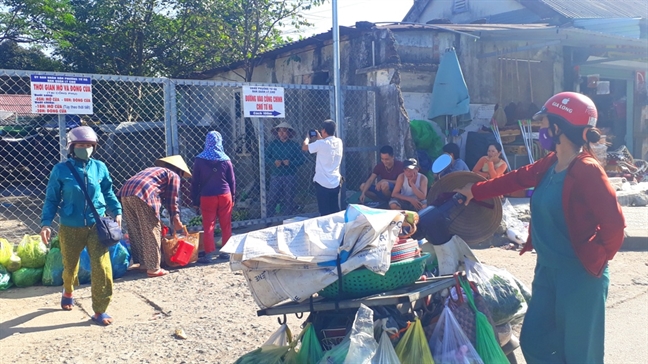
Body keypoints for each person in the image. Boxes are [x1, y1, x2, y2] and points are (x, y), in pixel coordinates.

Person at [455, 92, 625, 363]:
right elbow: (514, 179)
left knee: (582, 355)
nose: (541, 130)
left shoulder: (587, 169)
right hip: (547, 271)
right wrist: (475, 190)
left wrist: (596, 259)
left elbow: (615, 226)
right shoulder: (550, 164)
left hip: (580, 276)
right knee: (534, 341)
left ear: (559, 127)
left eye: (544, 124)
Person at [40, 126, 122, 326]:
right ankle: (68, 289)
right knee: (70, 265)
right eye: (81, 145)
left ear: (94, 147)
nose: (85, 148)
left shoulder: (100, 167)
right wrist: (46, 224)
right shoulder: (60, 170)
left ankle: (100, 310)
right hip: (70, 226)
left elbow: (108, 191)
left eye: (89, 145)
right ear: (71, 147)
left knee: (102, 266)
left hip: (97, 225)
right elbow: (51, 199)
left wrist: (117, 210)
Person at [118, 155, 191, 278]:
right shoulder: (174, 175)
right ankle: (153, 268)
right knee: (152, 230)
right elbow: (172, 199)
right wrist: (176, 218)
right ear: (179, 170)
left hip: (126, 192)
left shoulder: (154, 170)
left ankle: (143, 263)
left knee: (136, 228)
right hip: (143, 193)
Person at [191, 131, 235, 263]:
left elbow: (195, 182)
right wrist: (232, 197)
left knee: (208, 225)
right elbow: (232, 181)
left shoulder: (199, 160)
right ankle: (226, 252)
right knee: (226, 225)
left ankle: (209, 253)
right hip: (225, 195)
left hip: (207, 196)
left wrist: (194, 200)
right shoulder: (226, 160)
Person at [302, 119, 343, 216]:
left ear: (324, 130)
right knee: (334, 209)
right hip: (335, 182)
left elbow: (304, 147)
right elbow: (326, 145)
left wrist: (308, 137)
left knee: (324, 212)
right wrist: (320, 137)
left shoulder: (320, 144)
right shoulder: (339, 142)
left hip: (322, 183)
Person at [265, 122, 304, 216]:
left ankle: (287, 219)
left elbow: (302, 160)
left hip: (290, 175)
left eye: (284, 131)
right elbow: (265, 157)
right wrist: (274, 162)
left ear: (289, 133)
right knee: (272, 198)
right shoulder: (273, 144)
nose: (282, 133)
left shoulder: (294, 145)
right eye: (280, 131)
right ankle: (269, 219)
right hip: (276, 175)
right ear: (277, 133)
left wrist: (290, 163)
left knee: (289, 198)